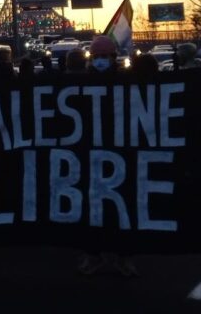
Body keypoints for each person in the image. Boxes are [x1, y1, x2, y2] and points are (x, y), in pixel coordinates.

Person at [77, 35, 139, 278]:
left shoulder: (126, 81)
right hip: (90, 154)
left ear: (113, 58)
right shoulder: (82, 84)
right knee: (91, 207)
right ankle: (93, 255)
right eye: (98, 57)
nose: (101, 61)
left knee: (122, 208)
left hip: (120, 152)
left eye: (105, 57)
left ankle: (123, 257)